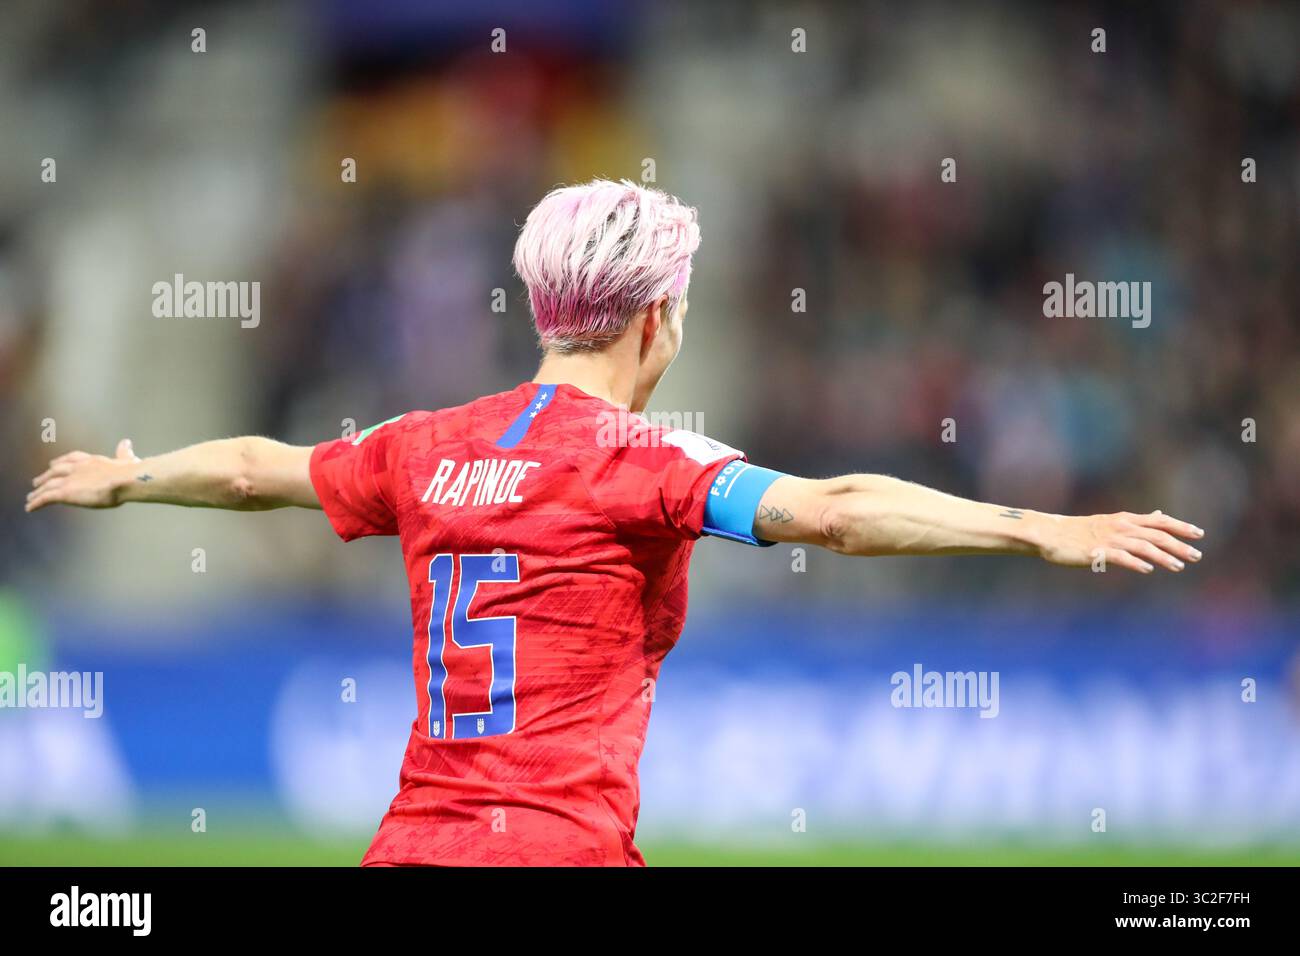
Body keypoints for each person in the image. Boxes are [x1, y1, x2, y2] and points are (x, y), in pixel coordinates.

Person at [25, 179, 1204, 866]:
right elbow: (837, 514)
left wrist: (132, 479)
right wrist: (1036, 528)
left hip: (414, 844)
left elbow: (249, 470)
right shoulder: (649, 458)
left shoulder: (424, 444)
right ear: (655, 322)